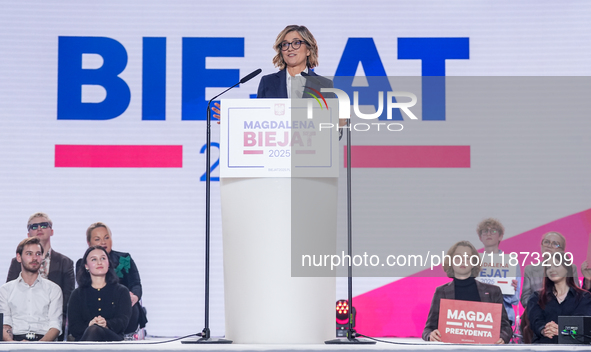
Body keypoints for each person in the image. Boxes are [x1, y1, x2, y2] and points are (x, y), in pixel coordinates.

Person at [212, 25, 345, 128]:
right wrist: (233, 120)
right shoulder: (268, 82)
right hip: (276, 158)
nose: (290, 48)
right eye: (285, 44)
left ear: (309, 50)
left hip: (309, 158)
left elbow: (331, 136)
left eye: (296, 43)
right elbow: (258, 124)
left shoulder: (324, 85)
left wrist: (337, 125)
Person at [423, 241, 513, 344]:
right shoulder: (441, 292)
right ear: (451, 262)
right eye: (458, 257)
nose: (463, 261)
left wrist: (502, 337)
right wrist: (431, 335)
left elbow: (506, 327)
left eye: (468, 257)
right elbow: (428, 329)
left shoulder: (493, 291)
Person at [6, 212, 74, 339]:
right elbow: (10, 295)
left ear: (51, 231)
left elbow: (67, 297)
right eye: (34, 226)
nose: (39, 229)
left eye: (43, 225)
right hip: (18, 330)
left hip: (51, 324)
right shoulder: (16, 263)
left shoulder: (65, 262)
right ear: (28, 234)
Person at [75, 222, 147, 334]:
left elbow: (136, 284)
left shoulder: (125, 258)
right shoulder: (83, 263)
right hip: (96, 307)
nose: (103, 242)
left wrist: (134, 297)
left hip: (124, 306)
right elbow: (83, 287)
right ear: (89, 243)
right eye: (97, 239)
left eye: (106, 237)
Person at [0, 237, 63, 341]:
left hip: (44, 342)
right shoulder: (5, 290)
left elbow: (55, 326)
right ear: (19, 257)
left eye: (38, 254)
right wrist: (15, 346)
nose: (34, 258)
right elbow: (5, 325)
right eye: (29, 254)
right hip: (15, 342)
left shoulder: (53, 289)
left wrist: (38, 347)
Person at [68, 246, 132, 341]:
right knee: (93, 330)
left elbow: (123, 321)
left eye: (103, 258)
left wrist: (106, 324)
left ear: (109, 263)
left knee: (95, 330)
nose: (99, 262)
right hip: (84, 341)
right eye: (94, 259)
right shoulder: (77, 294)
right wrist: (89, 325)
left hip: (113, 340)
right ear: (86, 266)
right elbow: (74, 327)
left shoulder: (121, 291)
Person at [527, 252, 591, 344]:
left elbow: (581, 324)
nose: (552, 270)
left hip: (573, 347)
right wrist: (544, 330)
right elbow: (536, 322)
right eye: (548, 267)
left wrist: (562, 329)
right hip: (544, 346)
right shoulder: (536, 297)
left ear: (567, 269)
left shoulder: (584, 297)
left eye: (556, 265)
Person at [476, 218, 520, 326]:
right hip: (476, 315)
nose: (489, 234)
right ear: (480, 237)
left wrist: (512, 289)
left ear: (500, 236)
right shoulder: (472, 262)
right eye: (485, 231)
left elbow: (515, 300)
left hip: (503, 316)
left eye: (493, 231)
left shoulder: (511, 262)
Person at [521, 231, 579, 308]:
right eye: (546, 242)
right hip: (537, 314)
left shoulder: (570, 268)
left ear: (562, 251)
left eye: (555, 244)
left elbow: (576, 296)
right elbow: (525, 299)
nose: (549, 246)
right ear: (541, 245)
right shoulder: (530, 269)